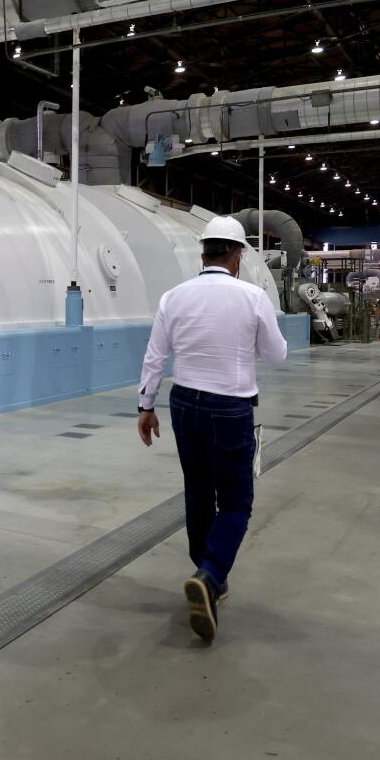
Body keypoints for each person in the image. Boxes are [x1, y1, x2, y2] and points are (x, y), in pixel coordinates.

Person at [135, 215, 288, 643]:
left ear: (203, 253)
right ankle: (211, 573)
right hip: (230, 407)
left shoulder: (174, 297)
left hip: (184, 404)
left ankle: (207, 575)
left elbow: (154, 357)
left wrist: (146, 406)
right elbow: (276, 356)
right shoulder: (252, 296)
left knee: (198, 493)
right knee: (236, 501)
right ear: (236, 255)